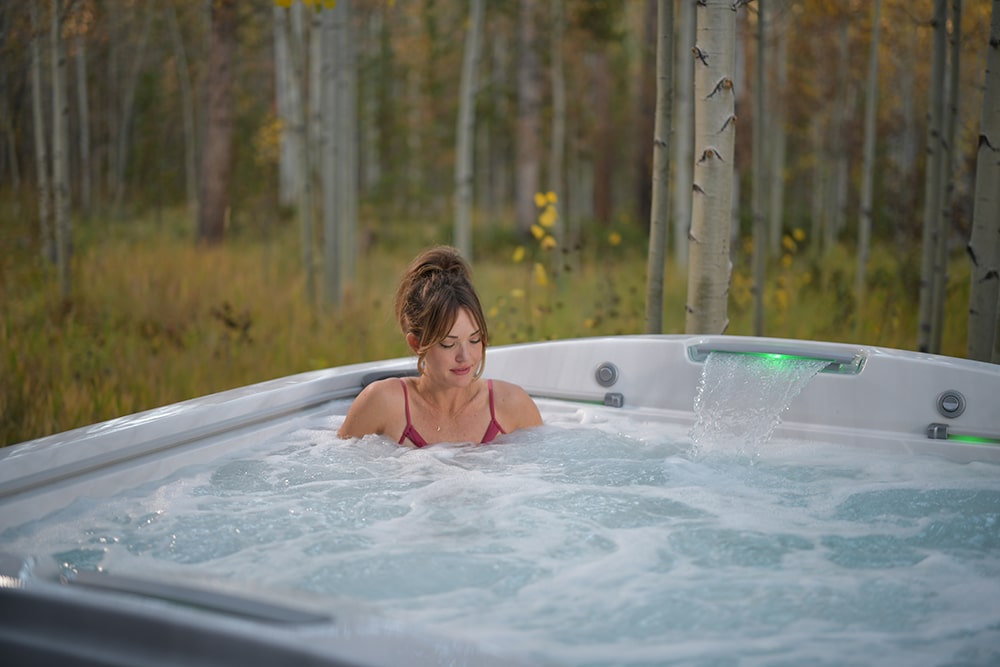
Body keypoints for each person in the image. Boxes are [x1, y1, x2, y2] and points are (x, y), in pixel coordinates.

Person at [338, 246, 543, 446]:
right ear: (416, 344)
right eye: (448, 344)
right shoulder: (382, 403)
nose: (465, 356)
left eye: (474, 340)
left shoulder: (513, 405)